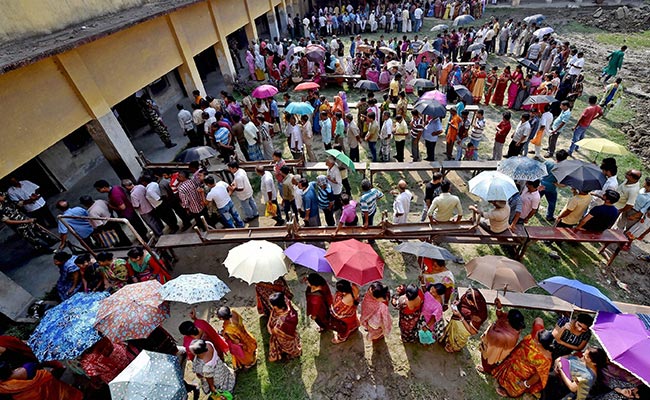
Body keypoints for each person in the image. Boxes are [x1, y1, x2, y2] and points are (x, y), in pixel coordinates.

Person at [492, 326, 553, 398]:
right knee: (505, 379)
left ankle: (508, 391)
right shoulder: (530, 339)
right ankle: (503, 383)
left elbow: (537, 376)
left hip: (523, 376)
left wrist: (526, 384)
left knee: (514, 388)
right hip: (511, 366)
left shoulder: (546, 359)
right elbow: (517, 349)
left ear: (540, 344)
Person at [477, 298, 526, 374]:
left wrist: (491, 329)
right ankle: (492, 365)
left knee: (488, 358)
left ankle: (487, 369)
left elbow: (492, 340)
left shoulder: (508, 336)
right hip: (494, 343)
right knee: (492, 359)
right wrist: (499, 308)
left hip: (495, 347)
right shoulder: (513, 322)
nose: (506, 316)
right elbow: (501, 316)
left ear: (510, 321)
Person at [542, 347, 608, 400]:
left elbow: (572, 387)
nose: (583, 355)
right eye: (584, 352)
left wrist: (561, 370)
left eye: (587, 356)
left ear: (594, 363)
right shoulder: (589, 367)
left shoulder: (587, 376)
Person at [0, 361, 83, 400]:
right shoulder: (29, 367)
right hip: (59, 392)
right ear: (9, 367)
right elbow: (50, 364)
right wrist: (59, 367)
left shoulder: (4, 388)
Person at [442, 288, 488, 353]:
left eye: (471, 302)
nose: (469, 303)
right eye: (467, 300)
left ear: (476, 302)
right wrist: (457, 302)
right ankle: (449, 338)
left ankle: (454, 346)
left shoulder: (480, 315)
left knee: (459, 327)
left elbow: (472, 332)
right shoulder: (467, 296)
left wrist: (460, 317)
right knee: (454, 323)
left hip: (467, 326)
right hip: (459, 317)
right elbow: (462, 301)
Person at [216, 306, 257, 370]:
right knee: (250, 347)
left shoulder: (228, 329)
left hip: (242, 343)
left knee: (245, 356)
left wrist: (223, 334)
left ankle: (249, 364)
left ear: (221, 318)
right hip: (246, 335)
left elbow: (236, 341)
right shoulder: (233, 312)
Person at [267, 292, 302, 362]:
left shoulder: (283, 321)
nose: (271, 306)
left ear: (280, 307)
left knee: (288, 346)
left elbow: (274, 331)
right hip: (287, 331)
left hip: (285, 336)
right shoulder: (285, 301)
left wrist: (270, 328)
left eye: (273, 305)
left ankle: (294, 353)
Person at [330, 279, 360, 344]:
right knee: (353, 321)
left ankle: (342, 338)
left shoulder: (345, 300)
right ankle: (355, 327)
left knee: (345, 328)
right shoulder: (354, 288)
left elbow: (337, 313)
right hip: (352, 311)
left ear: (343, 291)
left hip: (346, 317)